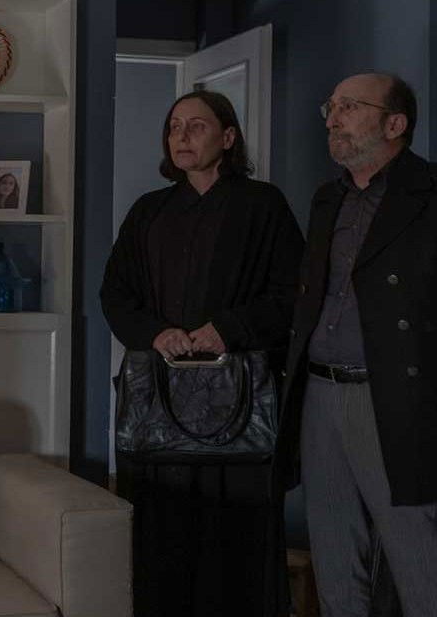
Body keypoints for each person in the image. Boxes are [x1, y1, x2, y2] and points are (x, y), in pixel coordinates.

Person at [279, 73, 437, 617]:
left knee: (419, 558)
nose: (333, 119)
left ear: (395, 124)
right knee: (335, 558)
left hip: (399, 400)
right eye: (330, 107)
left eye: (350, 107)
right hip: (319, 393)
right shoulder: (327, 198)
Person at [102, 90, 304, 616]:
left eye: (196, 126)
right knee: (159, 530)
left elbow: (295, 292)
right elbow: (115, 295)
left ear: (228, 137)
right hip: (158, 400)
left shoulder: (263, 205)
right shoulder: (149, 211)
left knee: (238, 534)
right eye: (174, 127)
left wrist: (229, 329)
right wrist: (156, 333)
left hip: (240, 401)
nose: (182, 136)